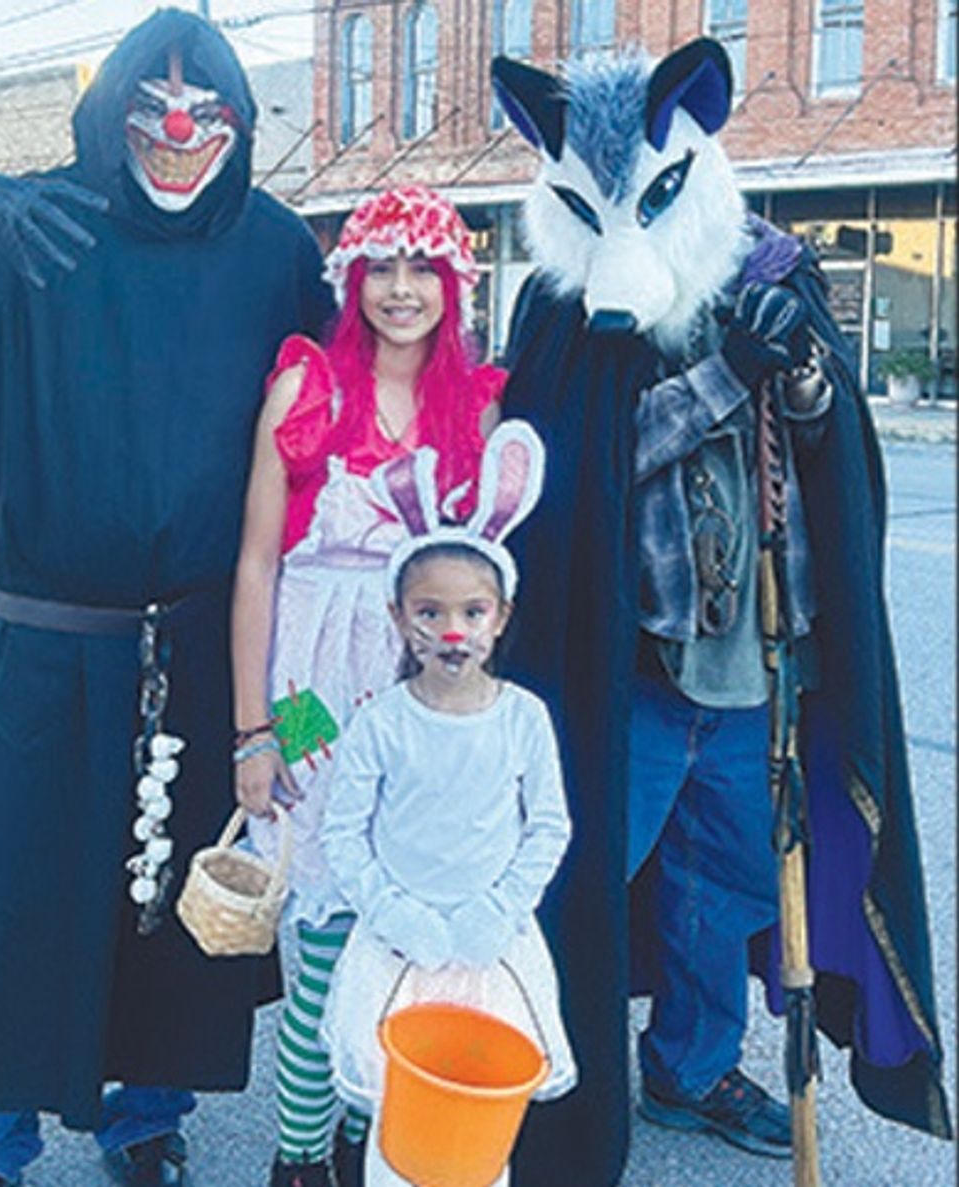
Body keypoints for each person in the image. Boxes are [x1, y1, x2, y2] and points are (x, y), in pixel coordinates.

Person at [0, 10, 334, 1187]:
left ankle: (144, 1110)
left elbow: (346, 407)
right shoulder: (23, 226)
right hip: (46, 645)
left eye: (205, 107)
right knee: (16, 903)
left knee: (170, 906)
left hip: (206, 646)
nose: (176, 130)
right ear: (109, 112)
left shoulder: (273, 251)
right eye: (149, 102)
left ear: (238, 123)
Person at [490, 38, 951, 1186]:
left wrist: (798, 377)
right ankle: (548, 1065)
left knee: (726, 883)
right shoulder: (566, 317)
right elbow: (585, 474)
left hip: (757, 669)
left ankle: (690, 1065)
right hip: (632, 662)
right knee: (581, 873)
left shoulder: (773, 275)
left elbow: (831, 454)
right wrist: (719, 380)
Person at [229, 183, 505, 1187]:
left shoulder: (476, 403)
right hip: (313, 691)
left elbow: (481, 578)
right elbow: (257, 562)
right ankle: (299, 1151)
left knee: (405, 931)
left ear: (451, 283)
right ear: (351, 279)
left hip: (423, 697)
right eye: (379, 267)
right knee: (327, 926)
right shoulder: (308, 390)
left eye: (420, 268)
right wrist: (255, 732)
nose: (399, 289)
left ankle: (369, 1123)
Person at [319, 421, 577, 1187]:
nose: (452, 630)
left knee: (478, 1134)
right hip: (400, 947)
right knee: (402, 1131)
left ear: (500, 617)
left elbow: (549, 825)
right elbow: (345, 832)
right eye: (429, 612)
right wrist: (396, 914)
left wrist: (496, 912)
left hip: (493, 946)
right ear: (400, 619)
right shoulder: (380, 722)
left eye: (473, 611)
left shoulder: (524, 718)